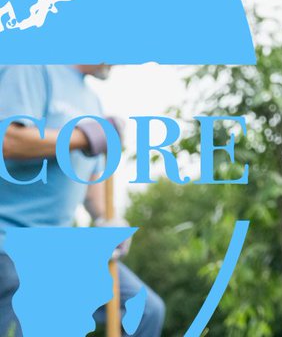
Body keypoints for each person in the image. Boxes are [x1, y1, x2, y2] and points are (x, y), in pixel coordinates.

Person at [0, 65, 165, 336]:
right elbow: (9, 138)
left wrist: (106, 219)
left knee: (143, 308)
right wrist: (81, 136)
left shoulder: (92, 101)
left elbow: (91, 183)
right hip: (11, 244)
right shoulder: (31, 66)